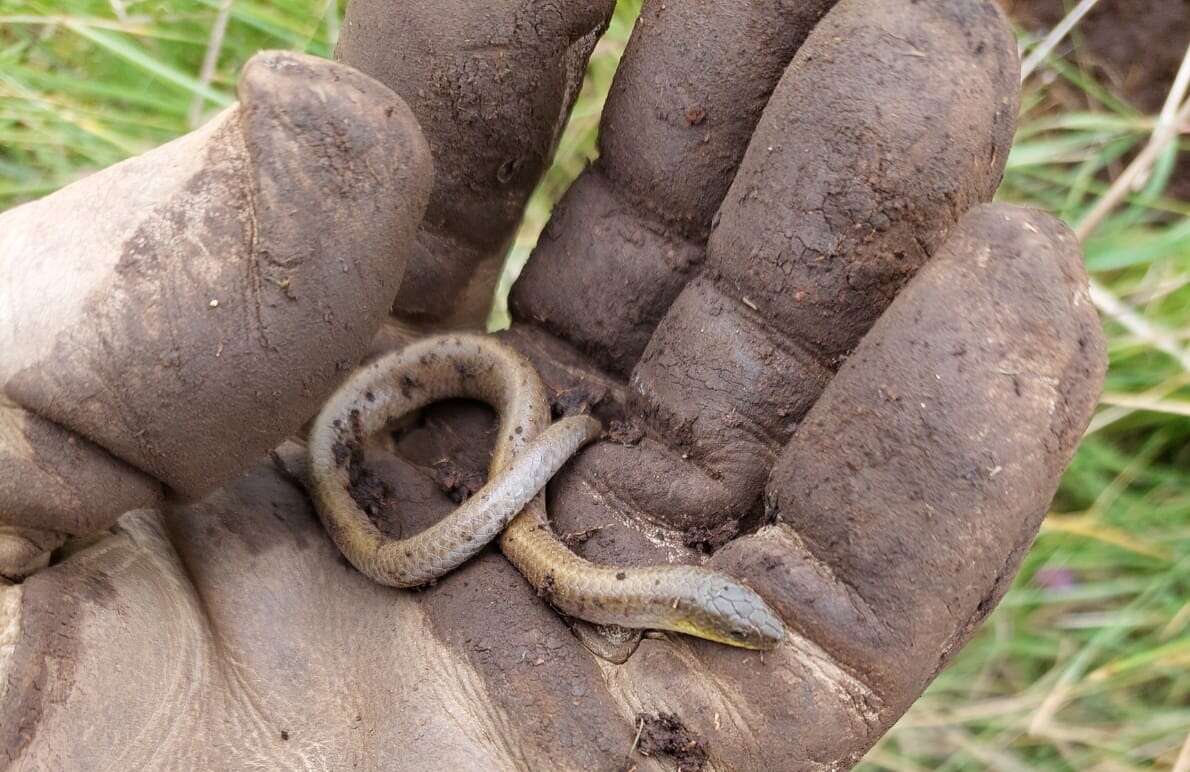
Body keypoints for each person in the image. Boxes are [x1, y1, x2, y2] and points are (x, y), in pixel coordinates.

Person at [0, 0, 1105, 768]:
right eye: (735, 626)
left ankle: (508, 428)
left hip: (485, 454)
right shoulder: (630, 595)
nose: (743, 630)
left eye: (732, 629)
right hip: (445, 462)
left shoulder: (648, 599)